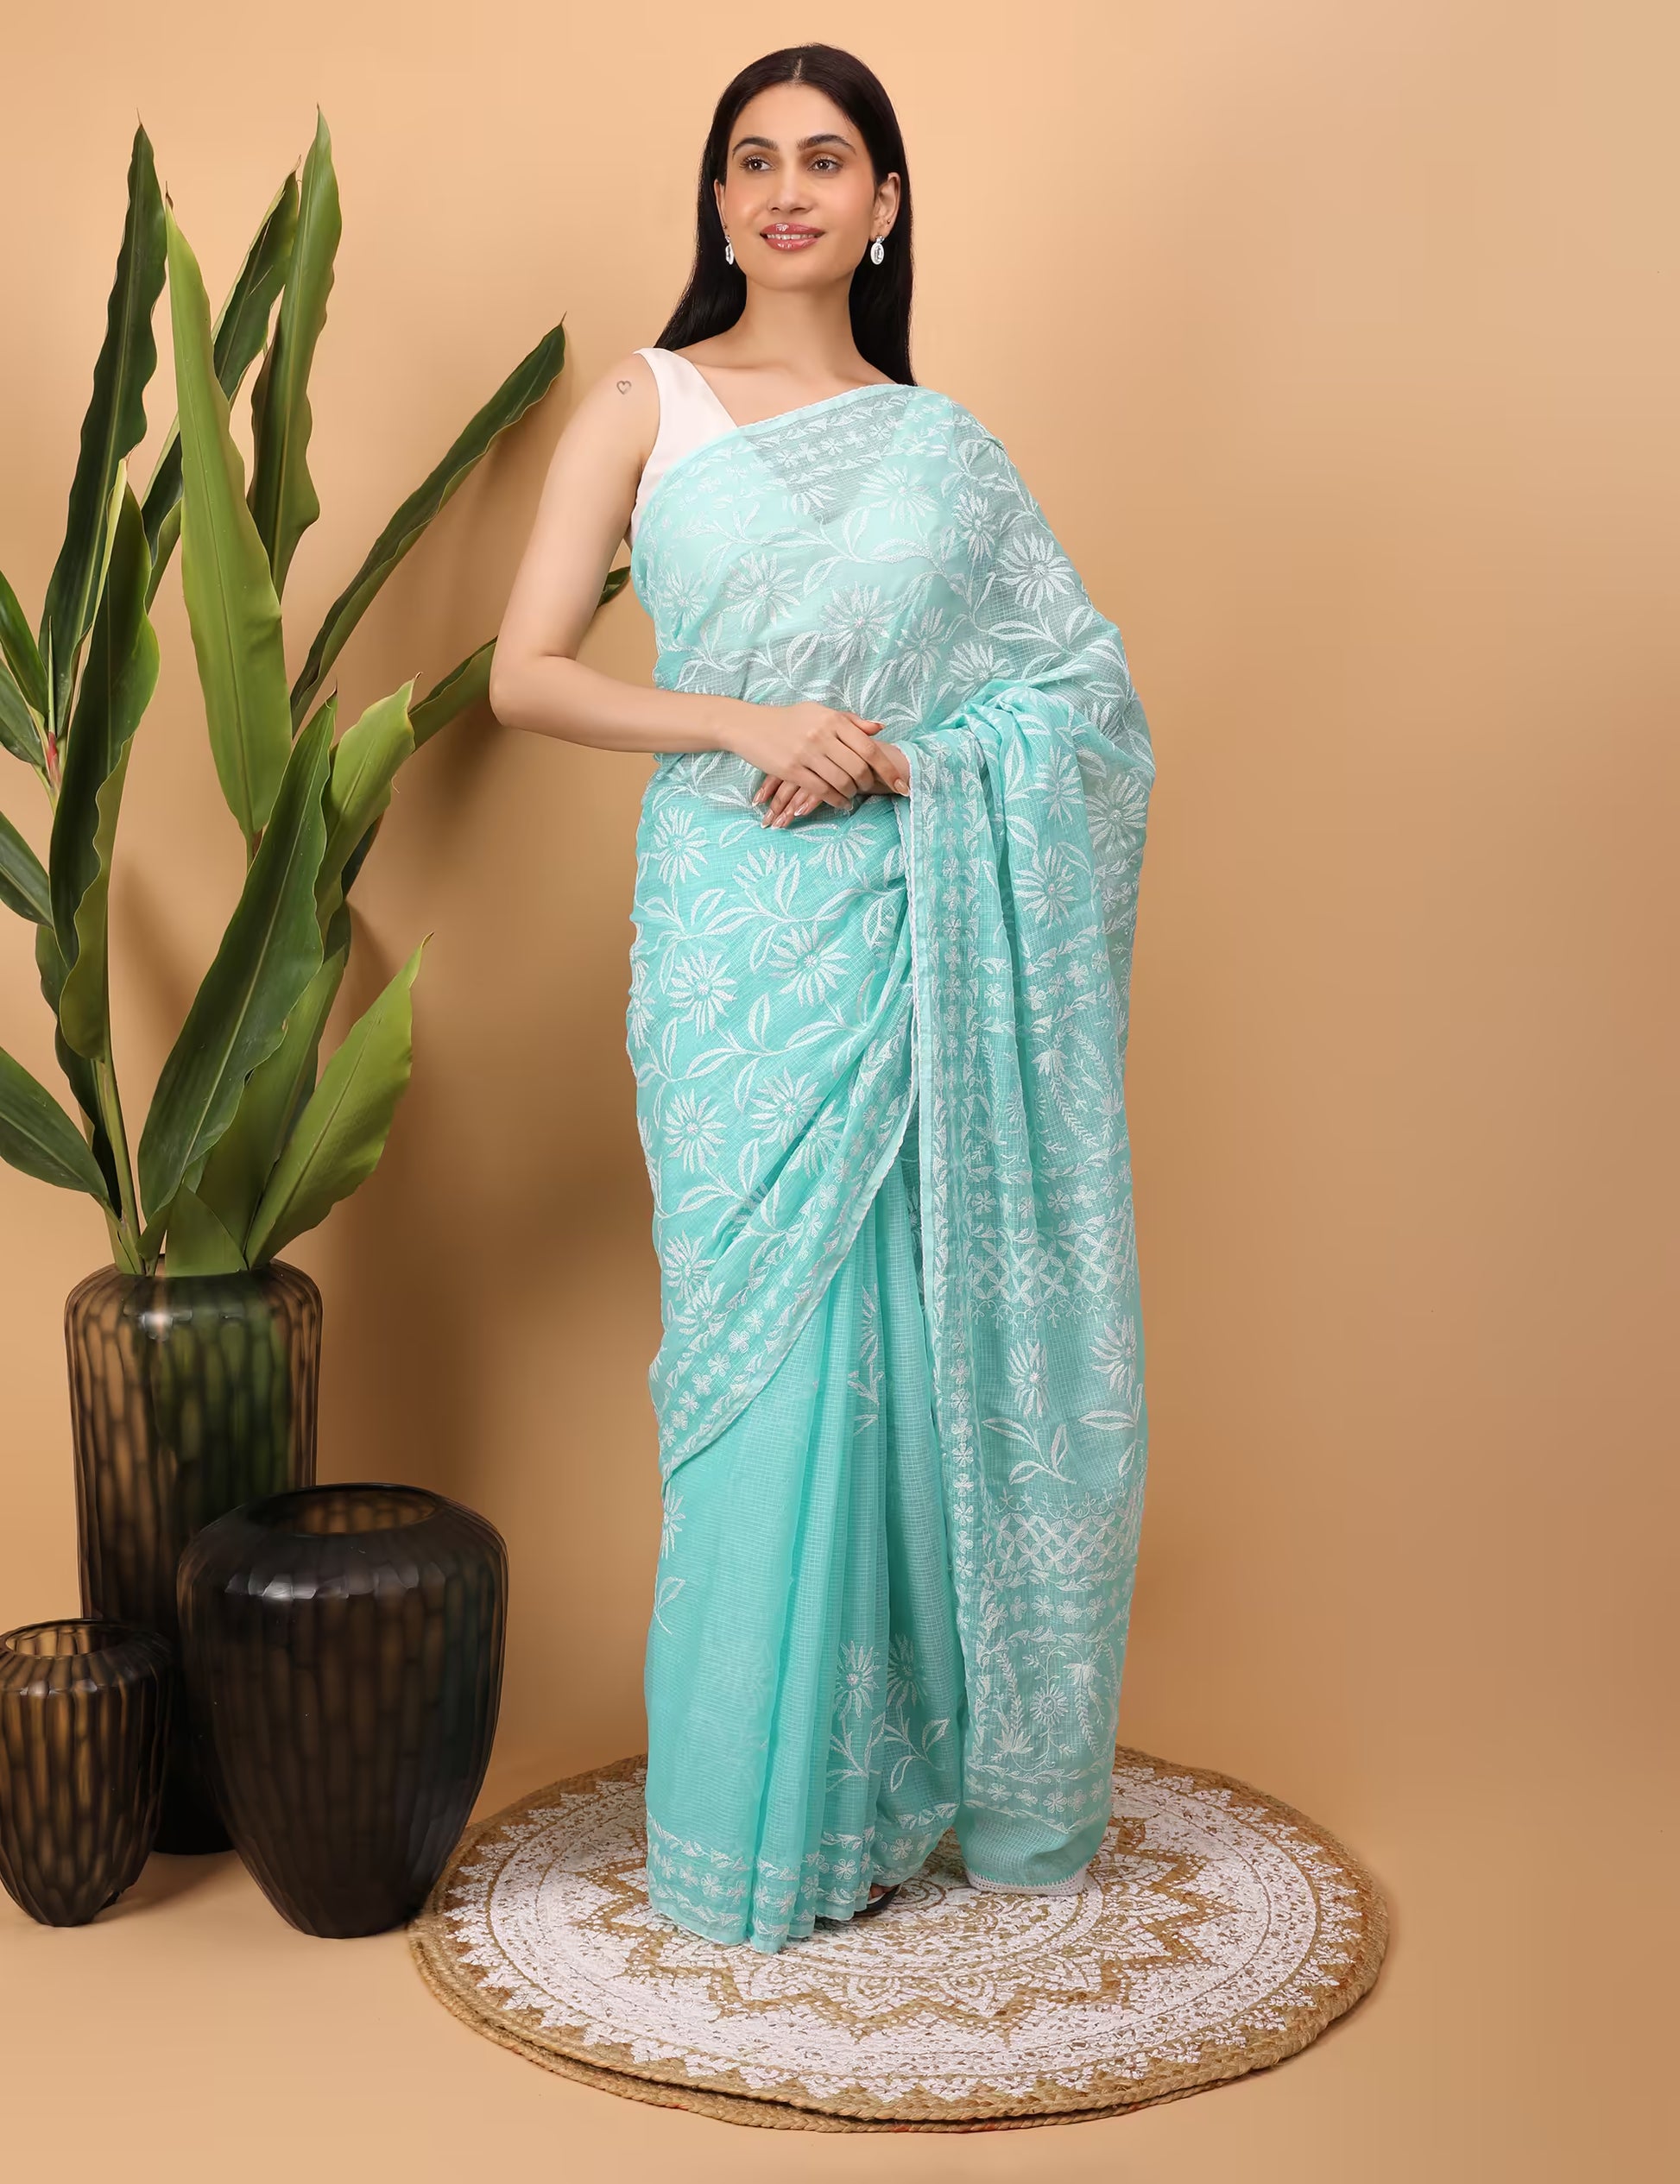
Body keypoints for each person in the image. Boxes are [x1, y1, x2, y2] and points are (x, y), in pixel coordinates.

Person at [490, 43, 1154, 1954]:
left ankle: (873, 1793)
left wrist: (900, 763)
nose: (787, 191)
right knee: (757, 1366)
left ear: (886, 206)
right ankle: (737, 1834)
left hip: (909, 928)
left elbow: (1084, 708)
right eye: (752, 161)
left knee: (903, 1363)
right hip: (726, 947)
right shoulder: (649, 401)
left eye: (828, 159)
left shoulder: (947, 452)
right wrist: (741, 720)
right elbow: (522, 675)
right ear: (717, 203)